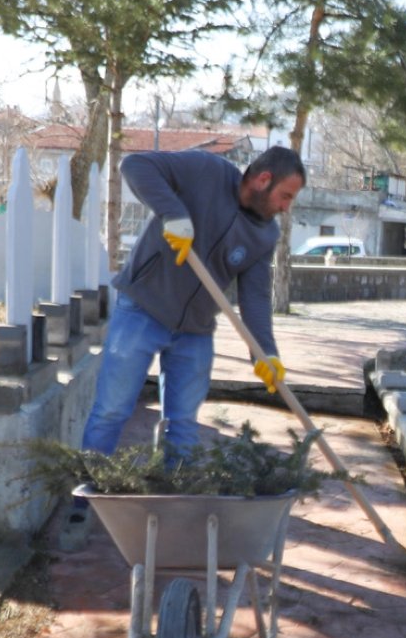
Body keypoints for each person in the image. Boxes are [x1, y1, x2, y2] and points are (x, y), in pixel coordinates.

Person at [60, 146, 306, 550]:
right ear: (264, 180)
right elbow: (134, 164)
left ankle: (174, 508)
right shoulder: (206, 172)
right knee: (112, 409)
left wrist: (266, 352)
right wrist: (174, 213)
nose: (284, 207)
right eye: (286, 196)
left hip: (194, 331)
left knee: (184, 424)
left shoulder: (265, 233)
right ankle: (83, 501)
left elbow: (256, 297)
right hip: (141, 310)